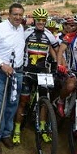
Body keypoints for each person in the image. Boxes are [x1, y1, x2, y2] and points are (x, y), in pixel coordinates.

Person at [12, 8, 58, 145]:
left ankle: (42, 128)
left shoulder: (49, 35)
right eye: (39, 20)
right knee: (23, 100)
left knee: (44, 101)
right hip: (27, 72)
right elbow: (18, 47)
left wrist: (56, 63)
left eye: (44, 20)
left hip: (43, 72)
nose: (41, 22)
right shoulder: (27, 32)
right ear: (35, 20)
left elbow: (55, 49)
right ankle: (17, 129)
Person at [0, 3, 25, 154]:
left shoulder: (21, 28)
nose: (18, 17)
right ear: (9, 14)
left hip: (17, 73)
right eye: (15, 14)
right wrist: (2, 65)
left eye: (20, 15)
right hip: (1, 72)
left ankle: (6, 134)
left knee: (12, 105)